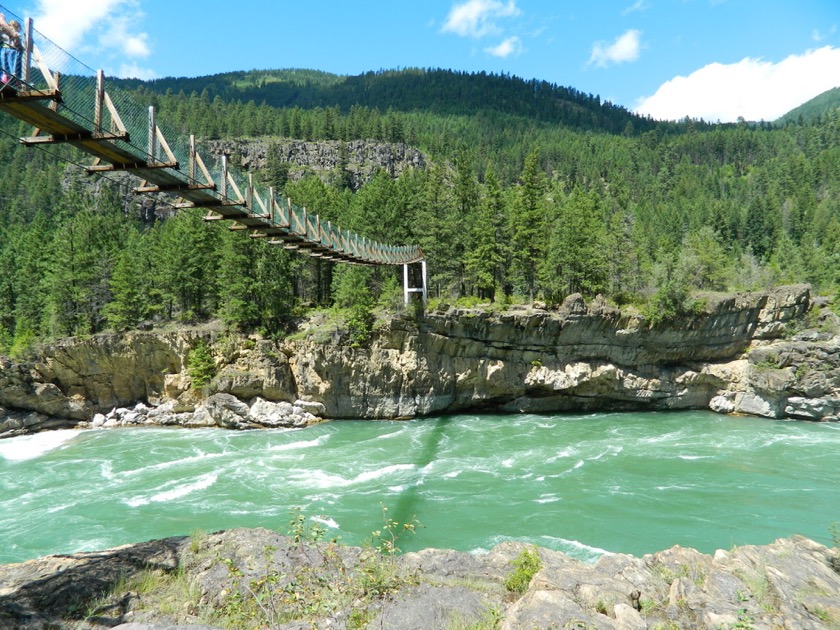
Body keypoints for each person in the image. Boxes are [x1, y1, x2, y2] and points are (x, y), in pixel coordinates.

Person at [0, 14, 23, 88]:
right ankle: (17, 80)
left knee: (4, 66)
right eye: (19, 28)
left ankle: (4, 79)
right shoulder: (16, 34)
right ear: (17, 27)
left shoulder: (4, 31)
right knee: (14, 65)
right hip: (12, 50)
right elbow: (18, 42)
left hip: (4, 49)